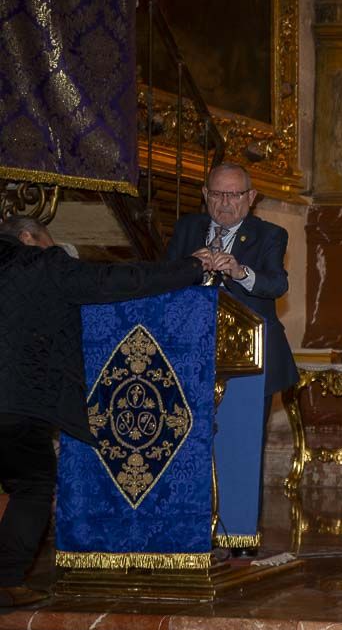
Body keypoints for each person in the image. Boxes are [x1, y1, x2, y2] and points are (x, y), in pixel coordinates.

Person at [0, 216, 212, 607]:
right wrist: (191, 267)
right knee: (31, 486)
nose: (54, 248)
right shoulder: (42, 264)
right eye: (49, 240)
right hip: (18, 403)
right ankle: (7, 581)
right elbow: (117, 281)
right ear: (28, 236)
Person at [164, 162, 299, 400]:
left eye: (234, 195)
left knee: (243, 433)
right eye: (217, 194)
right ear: (205, 194)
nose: (225, 202)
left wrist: (240, 273)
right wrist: (187, 267)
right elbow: (162, 279)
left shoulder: (270, 235)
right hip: (192, 353)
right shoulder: (186, 227)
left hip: (250, 356)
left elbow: (277, 285)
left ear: (251, 197)